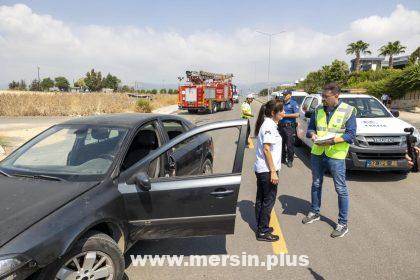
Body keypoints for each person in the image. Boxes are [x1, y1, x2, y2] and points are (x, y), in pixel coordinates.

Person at [302, 82, 357, 238]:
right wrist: (313, 135)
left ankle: (343, 223)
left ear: (336, 95)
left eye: (326, 97)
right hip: (318, 152)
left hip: (336, 155)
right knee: (316, 183)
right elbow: (310, 129)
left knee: (340, 189)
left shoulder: (348, 111)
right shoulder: (318, 109)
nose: (323, 99)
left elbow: (351, 135)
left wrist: (333, 140)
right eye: (322, 96)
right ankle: (314, 211)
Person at [254, 99, 284, 242]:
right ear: (273, 113)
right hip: (267, 170)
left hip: (263, 169)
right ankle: (263, 231)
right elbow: (267, 149)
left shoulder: (270, 124)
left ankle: (261, 226)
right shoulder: (269, 126)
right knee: (268, 200)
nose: (283, 114)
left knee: (261, 198)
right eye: (281, 111)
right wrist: (273, 171)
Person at [278, 90, 300, 167]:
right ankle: (282, 158)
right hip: (281, 126)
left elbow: (297, 114)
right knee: (281, 143)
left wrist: (285, 115)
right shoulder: (281, 103)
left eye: (285, 95)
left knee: (289, 144)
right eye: (283, 94)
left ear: (290, 95)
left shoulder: (293, 103)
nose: (284, 96)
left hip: (289, 127)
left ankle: (290, 160)